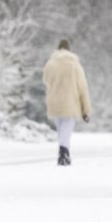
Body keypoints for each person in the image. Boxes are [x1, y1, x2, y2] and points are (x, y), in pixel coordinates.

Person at [42, 38, 92, 166]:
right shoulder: (75, 65)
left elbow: (46, 80)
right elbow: (82, 87)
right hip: (71, 102)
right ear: (69, 50)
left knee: (61, 131)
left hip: (55, 101)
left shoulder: (50, 64)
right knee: (66, 131)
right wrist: (85, 109)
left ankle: (64, 154)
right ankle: (63, 154)